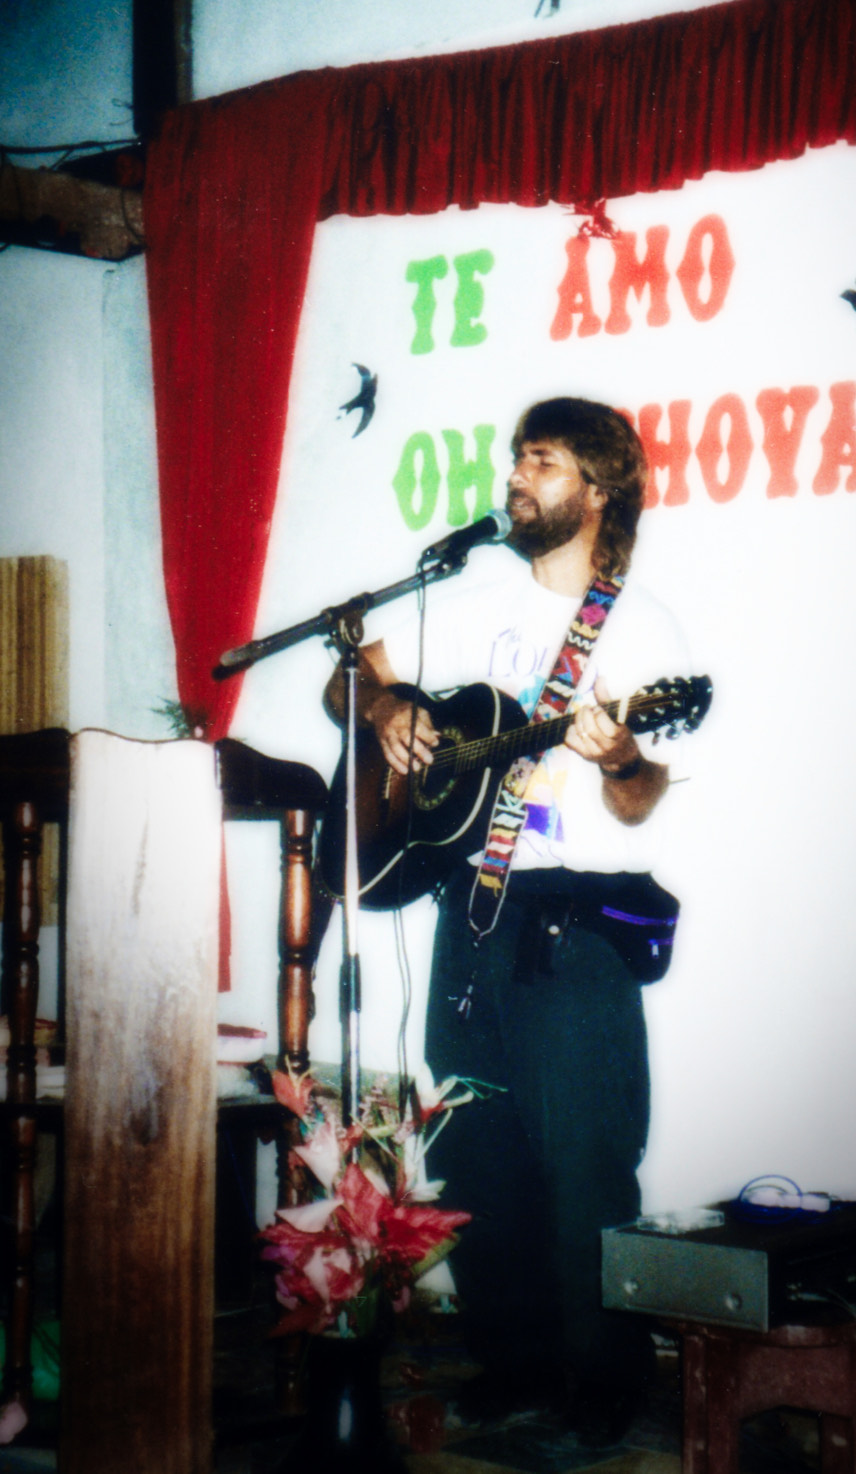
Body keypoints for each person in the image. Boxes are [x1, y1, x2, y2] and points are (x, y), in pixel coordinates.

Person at [325, 396, 691, 1443]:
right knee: (474, 1151)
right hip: (465, 916)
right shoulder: (475, 588)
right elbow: (356, 665)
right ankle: (513, 1359)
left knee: (582, 1160)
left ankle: (601, 1380)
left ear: (598, 486)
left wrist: (618, 753)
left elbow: (638, 800)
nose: (515, 476)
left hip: (571, 923)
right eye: (516, 458)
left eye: (541, 460)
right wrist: (388, 710)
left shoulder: (639, 629)